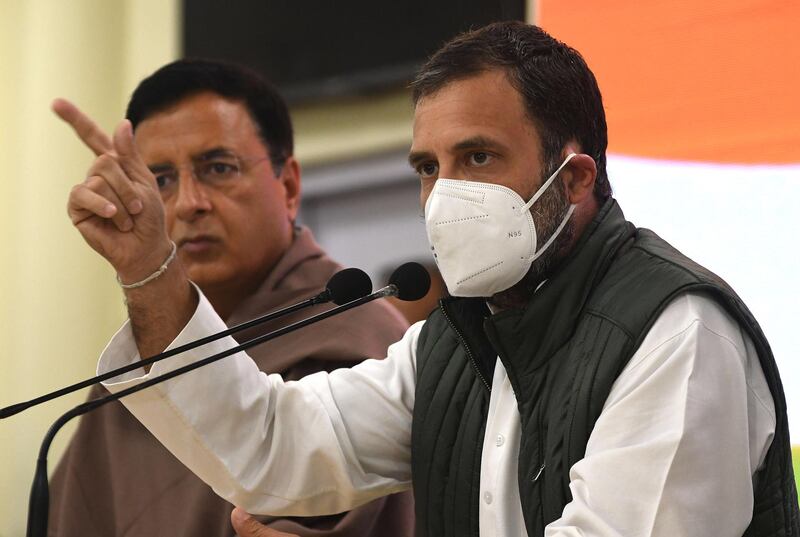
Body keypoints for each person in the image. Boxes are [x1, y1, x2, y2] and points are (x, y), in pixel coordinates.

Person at [65, 22, 799, 537]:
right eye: (428, 167)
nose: (444, 197)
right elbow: (273, 445)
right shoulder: (453, 340)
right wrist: (151, 269)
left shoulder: (677, 333)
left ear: (572, 179)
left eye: (477, 157)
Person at [50, 59, 414, 537]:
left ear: (288, 187)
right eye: (160, 180)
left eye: (218, 168)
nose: (188, 203)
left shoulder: (359, 337)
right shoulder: (141, 370)